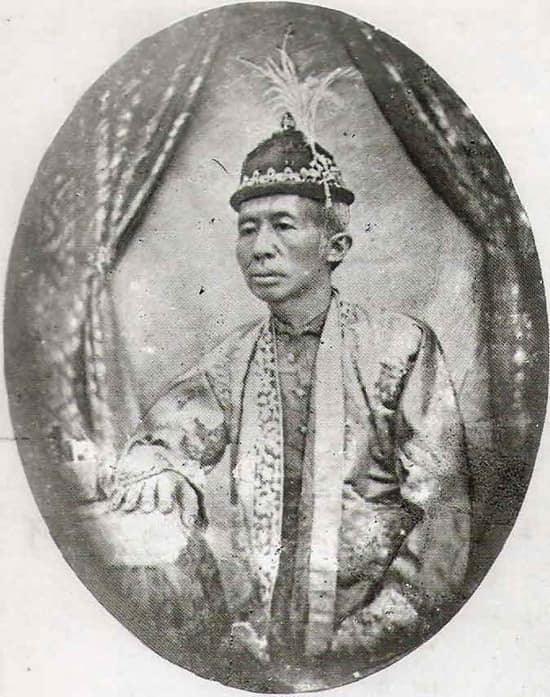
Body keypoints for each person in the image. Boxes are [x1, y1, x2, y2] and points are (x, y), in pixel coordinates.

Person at [108, 55, 471, 685]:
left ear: (336, 246)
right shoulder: (234, 358)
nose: (260, 248)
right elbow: (167, 436)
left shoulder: (399, 347)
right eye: (247, 229)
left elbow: (443, 511)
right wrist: (162, 467)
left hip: (382, 636)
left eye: (282, 225)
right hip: (262, 634)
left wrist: (375, 632)